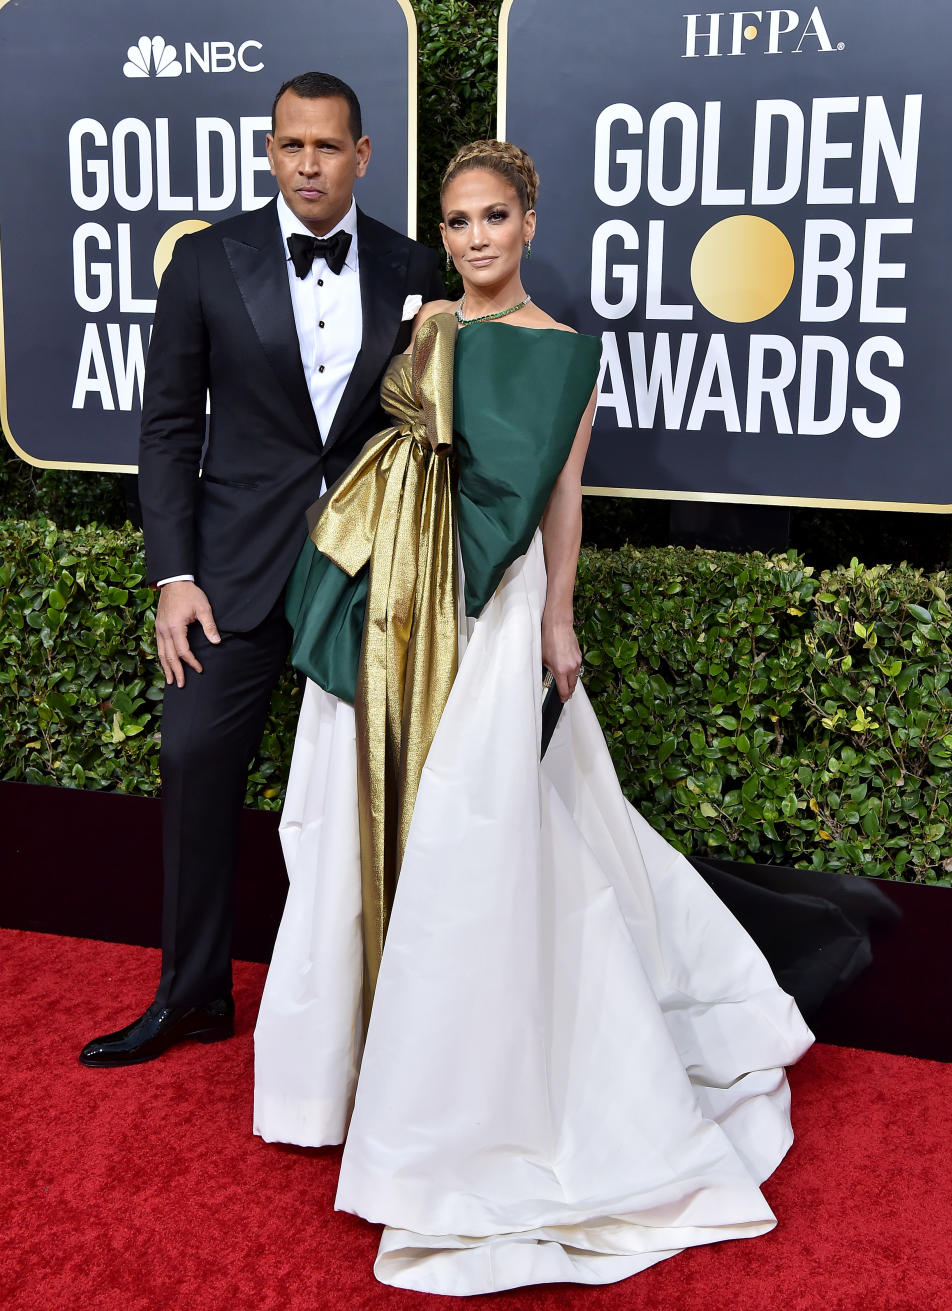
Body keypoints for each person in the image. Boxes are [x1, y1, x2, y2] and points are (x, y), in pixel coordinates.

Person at [252, 140, 814, 1295]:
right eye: (457, 221)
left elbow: (561, 496)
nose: (474, 240)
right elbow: (384, 458)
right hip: (392, 602)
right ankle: (353, 1068)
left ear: (529, 219)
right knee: (366, 815)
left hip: (492, 609)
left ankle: (466, 1085)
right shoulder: (421, 327)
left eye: (494, 218)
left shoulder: (567, 357)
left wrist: (558, 617)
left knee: (482, 833)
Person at [79, 72, 445, 1069]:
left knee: (389, 788)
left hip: (365, 573)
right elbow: (165, 430)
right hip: (233, 570)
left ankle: (392, 1014)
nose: (309, 165)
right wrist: (173, 575)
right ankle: (192, 994)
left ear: (363, 156)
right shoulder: (205, 261)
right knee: (195, 759)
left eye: (328, 147)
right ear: (271, 150)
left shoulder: (417, 267)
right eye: (292, 146)